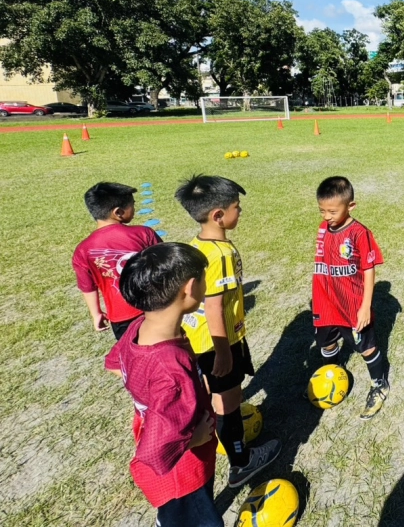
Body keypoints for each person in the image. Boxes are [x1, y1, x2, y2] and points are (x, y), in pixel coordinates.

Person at [104, 242, 222, 527]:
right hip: (183, 473)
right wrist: (194, 437)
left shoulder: (138, 327)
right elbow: (155, 452)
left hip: (174, 468)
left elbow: (114, 365)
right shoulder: (169, 367)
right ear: (190, 288)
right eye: (205, 278)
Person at [174, 175, 280, 488]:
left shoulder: (199, 245)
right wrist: (223, 351)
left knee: (220, 397)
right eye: (236, 207)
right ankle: (241, 462)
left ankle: (224, 437)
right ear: (218, 215)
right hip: (218, 341)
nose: (241, 211)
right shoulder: (219, 255)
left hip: (200, 339)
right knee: (228, 401)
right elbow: (214, 307)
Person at [313, 176, 390, 420]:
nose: (326, 216)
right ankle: (332, 379)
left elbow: (369, 269)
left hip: (352, 304)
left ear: (351, 206)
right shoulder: (324, 227)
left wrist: (365, 306)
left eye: (332, 211)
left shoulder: (359, 233)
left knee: (366, 348)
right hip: (326, 302)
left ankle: (379, 385)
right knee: (326, 344)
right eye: (322, 210)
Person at [73, 182, 161, 339]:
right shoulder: (143, 233)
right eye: (132, 205)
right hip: (155, 308)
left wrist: (96, 314)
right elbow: (166, 265)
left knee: (134, 358)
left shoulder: (82, 250)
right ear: (118, 212)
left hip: (120, 319)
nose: (134, 209)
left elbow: (87, 287)